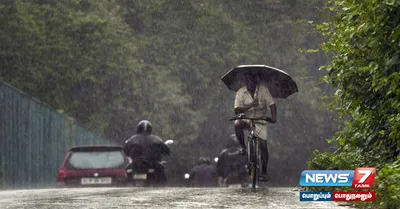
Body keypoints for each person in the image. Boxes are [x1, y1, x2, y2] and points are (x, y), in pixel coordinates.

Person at [234, 71, 277, 181]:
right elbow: (237, 110)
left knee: (263, 146)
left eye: (253, 81)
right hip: (246, 118)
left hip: (260, 120)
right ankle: (243, 147)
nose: (251, 83)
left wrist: (273, 118)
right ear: (245, 82)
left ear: (256, 81)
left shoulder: (263, 90)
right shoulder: (240, 92)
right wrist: (251, 105)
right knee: (237, 123)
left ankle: (264, 172)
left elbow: (272, 105)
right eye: (248, 81)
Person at [123, 120, 171, 184]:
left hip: (136, 164)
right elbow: (167, 150)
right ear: (150, 129)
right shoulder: (156, 139)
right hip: (152, 163)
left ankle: (127, 183)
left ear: (138, 128)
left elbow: (126, 150)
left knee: (127, 170)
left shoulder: (133, 139)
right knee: (161, 170)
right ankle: (161, 187)